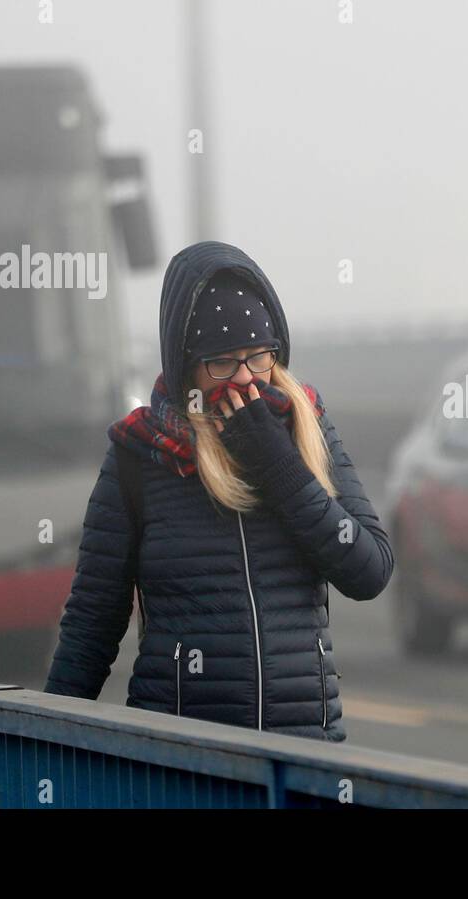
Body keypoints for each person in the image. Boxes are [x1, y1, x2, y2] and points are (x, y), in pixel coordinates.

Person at [43, 241, 393, 742]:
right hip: (182, 761)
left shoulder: (307, 427)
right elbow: (93, 622)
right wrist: (42, 739)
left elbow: (369, 570)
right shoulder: (139, 453)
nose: (247, 379)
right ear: (186, 366)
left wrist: (278, 465)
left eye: (259, 357)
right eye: (223, 364)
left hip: (308, 757)